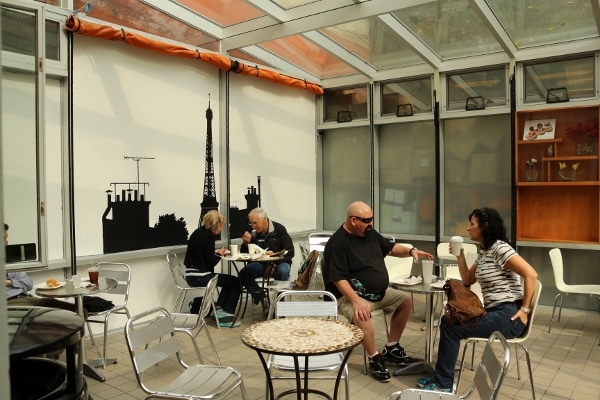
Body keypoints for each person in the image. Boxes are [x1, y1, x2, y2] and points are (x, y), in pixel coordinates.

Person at [417, 207, 538, 393]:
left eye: (472, 224)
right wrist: (460, 256)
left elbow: (531, 274)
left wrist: (525, 310)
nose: (468, 228)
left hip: (509, 315)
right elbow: (467, 280)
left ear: (485, 226)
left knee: (452, 328)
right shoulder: (485, 252)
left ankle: (443, 384)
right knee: (449, 321)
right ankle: (441, 378)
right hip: (496, 312)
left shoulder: (500, 248)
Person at [322, 201, 433, 383]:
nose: (371, 224)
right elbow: (338, 278)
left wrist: (410, 250)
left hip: (378, 294)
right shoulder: (338, 243)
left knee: (405, 301)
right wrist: (356, 300)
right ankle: (375, 358)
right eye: (366, 220)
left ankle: (392, 348)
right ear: (353, 220)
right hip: (349, 296)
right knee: (362, 313)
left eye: (372, 219)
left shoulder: (369, 233)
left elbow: (390, 248)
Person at [5, 223, 78, 313]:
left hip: (29, 299)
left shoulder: (9, 260)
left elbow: (28, 283)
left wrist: (9, 282)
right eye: (4, 238)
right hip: (10, 303)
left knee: (78, 311)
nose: (7, 242)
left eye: (7, 238)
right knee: (55, 318)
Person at [183, 211, 241, 317]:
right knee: (236, 282)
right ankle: (225, 312)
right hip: (200, 275)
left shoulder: (198, 232)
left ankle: (219, 309)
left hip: (190, 274)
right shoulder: (208, 236)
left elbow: (202, 254)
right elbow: (210, 262)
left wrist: (215, 252)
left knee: (230, 282)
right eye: (221, 225)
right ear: (216, 224)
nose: (221, 228)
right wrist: (219, 254)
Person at [239, 208, 295, 305]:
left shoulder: (279, 229)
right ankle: (261, 298)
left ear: (264, 219)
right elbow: (245, 254)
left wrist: (274, 264)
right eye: (251, 223)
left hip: (280, 263)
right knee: (244, 273)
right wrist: (245, 244)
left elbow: (290, 251)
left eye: (255, 223)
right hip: (261, 264)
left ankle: (280, 305)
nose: (253, 226)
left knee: (283, 271)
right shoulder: (251, 232)